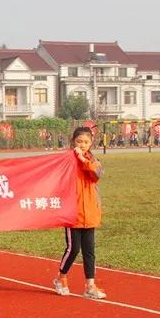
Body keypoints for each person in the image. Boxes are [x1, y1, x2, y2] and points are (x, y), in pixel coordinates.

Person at [53, 127, 107, 300]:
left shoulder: (92, 160)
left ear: (91, 143)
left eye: (86, 142)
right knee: (73, 248)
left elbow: (96, 174)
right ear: (72, 142)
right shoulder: (67, 160)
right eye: (79, 142)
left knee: (89, 251)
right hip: (73, 213)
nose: (82, 145)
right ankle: (61, 278)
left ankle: (90, 286)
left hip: (90, 212)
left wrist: (83, 159)